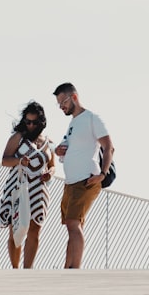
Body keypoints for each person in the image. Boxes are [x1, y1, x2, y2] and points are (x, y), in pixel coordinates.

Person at [53, 83, 113, 269]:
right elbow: (68, 149)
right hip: (70, 182)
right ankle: (68, 268)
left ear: (75, 97)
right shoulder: (72, 124)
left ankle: (75, 269)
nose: (61, 106)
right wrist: (59, 151)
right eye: (58, 103)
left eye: (63, 101)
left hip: (86, 179)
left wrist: (102, 174)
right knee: (72, 225)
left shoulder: (91, 118)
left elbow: (108, 146)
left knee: (73, 223)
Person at [0, 101, 55, 269]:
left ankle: (28, 270)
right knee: (17, 228)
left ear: (41, 122)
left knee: (35, 230)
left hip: (39, 190)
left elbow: (52, 166)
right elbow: (4, 160)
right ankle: (15, 270)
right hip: (18, 186)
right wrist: (19, 161)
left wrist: (50, 173)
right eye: (27, 122)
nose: (30, 125)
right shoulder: (17, 138)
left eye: (34, 122)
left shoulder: (48, 142)